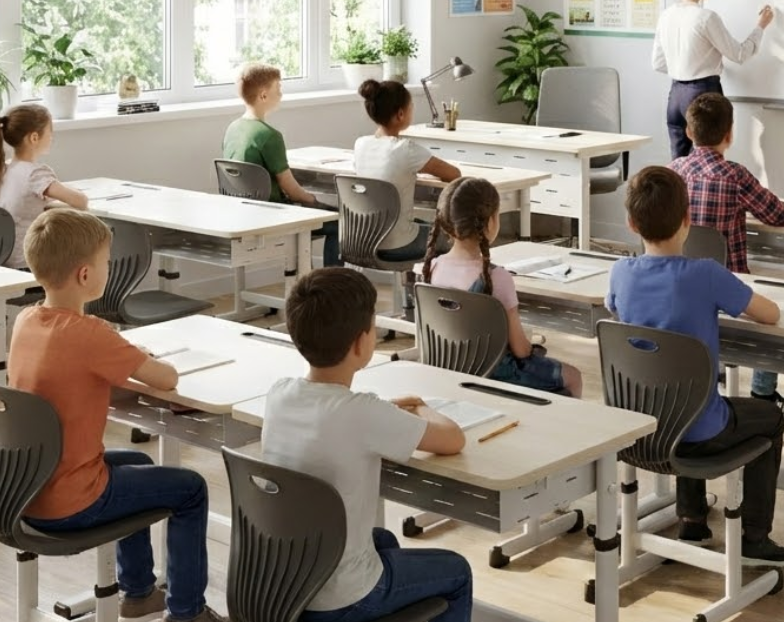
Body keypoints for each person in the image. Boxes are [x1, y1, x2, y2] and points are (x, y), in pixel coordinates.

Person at [10, 208, 241, 622]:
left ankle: (138, 594)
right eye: (106, 261)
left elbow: (75, 372)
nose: (110, 267)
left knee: (136, 461)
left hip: (30, 486)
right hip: (71, 500)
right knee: (191, 489)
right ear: (85, 275)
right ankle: (187, 615)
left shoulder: (27, 320)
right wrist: (132, 355)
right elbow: (166, 379)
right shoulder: (89, 333)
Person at [261, 267, 471, 622]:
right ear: (362, 343)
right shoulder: (362, 413)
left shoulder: (279, 393)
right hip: (339, 601)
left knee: (383, 541)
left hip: (284, 587)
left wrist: (383, 413)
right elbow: (453, 439)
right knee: (457, 572)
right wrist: (422, 407)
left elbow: (340, 420)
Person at [607, 166, 784, 564]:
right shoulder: (706, 274)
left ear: (631, 223)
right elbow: (771, 314)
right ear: (688, 220)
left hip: (639, 427)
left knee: (678, 392)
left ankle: (692, 519)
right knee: (770, 417)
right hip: (698, 433)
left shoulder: (620, 273)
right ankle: (755, 537)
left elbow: (614, 310)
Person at [670, 92, 784, 417]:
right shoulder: (734, 176)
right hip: (729, 288)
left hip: (682, 288)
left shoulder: (673, 172)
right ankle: (763, 395)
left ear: (689, 132)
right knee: (772, 313)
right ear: (729, 134)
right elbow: (780, 216)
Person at [422, 177, 584, 398]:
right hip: (498, 376)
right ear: (490, 222)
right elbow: (521, 350)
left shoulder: (431, 268)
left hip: (449, 369)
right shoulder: (497, 278)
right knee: (573, 376)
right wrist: (533, 348)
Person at [652, 0, 774, 159]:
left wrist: (683, 68)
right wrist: (761, 26)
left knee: (678, 166)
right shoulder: (706, 17)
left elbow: (657, 63)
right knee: (708, 162)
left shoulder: (666, 16)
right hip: (703, 95)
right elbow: (739, 54)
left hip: (675, 96)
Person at [222, 62, 341, 266]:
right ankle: (331, 283)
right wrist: (316, 201)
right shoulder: (270, 136)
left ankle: (307, 277)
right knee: (339, 222)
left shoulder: (233, 129)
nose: (281, 94)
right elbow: (293, 191)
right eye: (278, 88)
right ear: (263, 95)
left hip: (241, 213)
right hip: (272, 216)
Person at [354, 79, 460, 262]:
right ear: (401, 114)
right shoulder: (406, 149)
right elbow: (454, 174)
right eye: (411, 107)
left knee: (422, 225)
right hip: (397, 243)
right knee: (455, 237)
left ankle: (414, 280)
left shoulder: (360, 144)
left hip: (364, 239)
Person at [0, 104, 88, 269]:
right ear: (34, 138)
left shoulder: (3, 168)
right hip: (26, 261)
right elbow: (81, 201)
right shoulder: (35, 174)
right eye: (49, 132)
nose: (51, 138)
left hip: (2, 258)